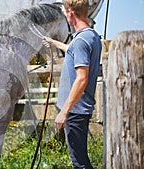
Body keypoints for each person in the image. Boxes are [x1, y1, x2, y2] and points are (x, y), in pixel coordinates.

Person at [43, 0, 102, 168]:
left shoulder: (81, 41)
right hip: (80, 109)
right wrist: (53, 43)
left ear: (70, 14)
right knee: (80, 159)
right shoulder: (90, 36)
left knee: (80, 163)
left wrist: (64, 112)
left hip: (75, 111)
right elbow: (72, 49)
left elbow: (82, 79)